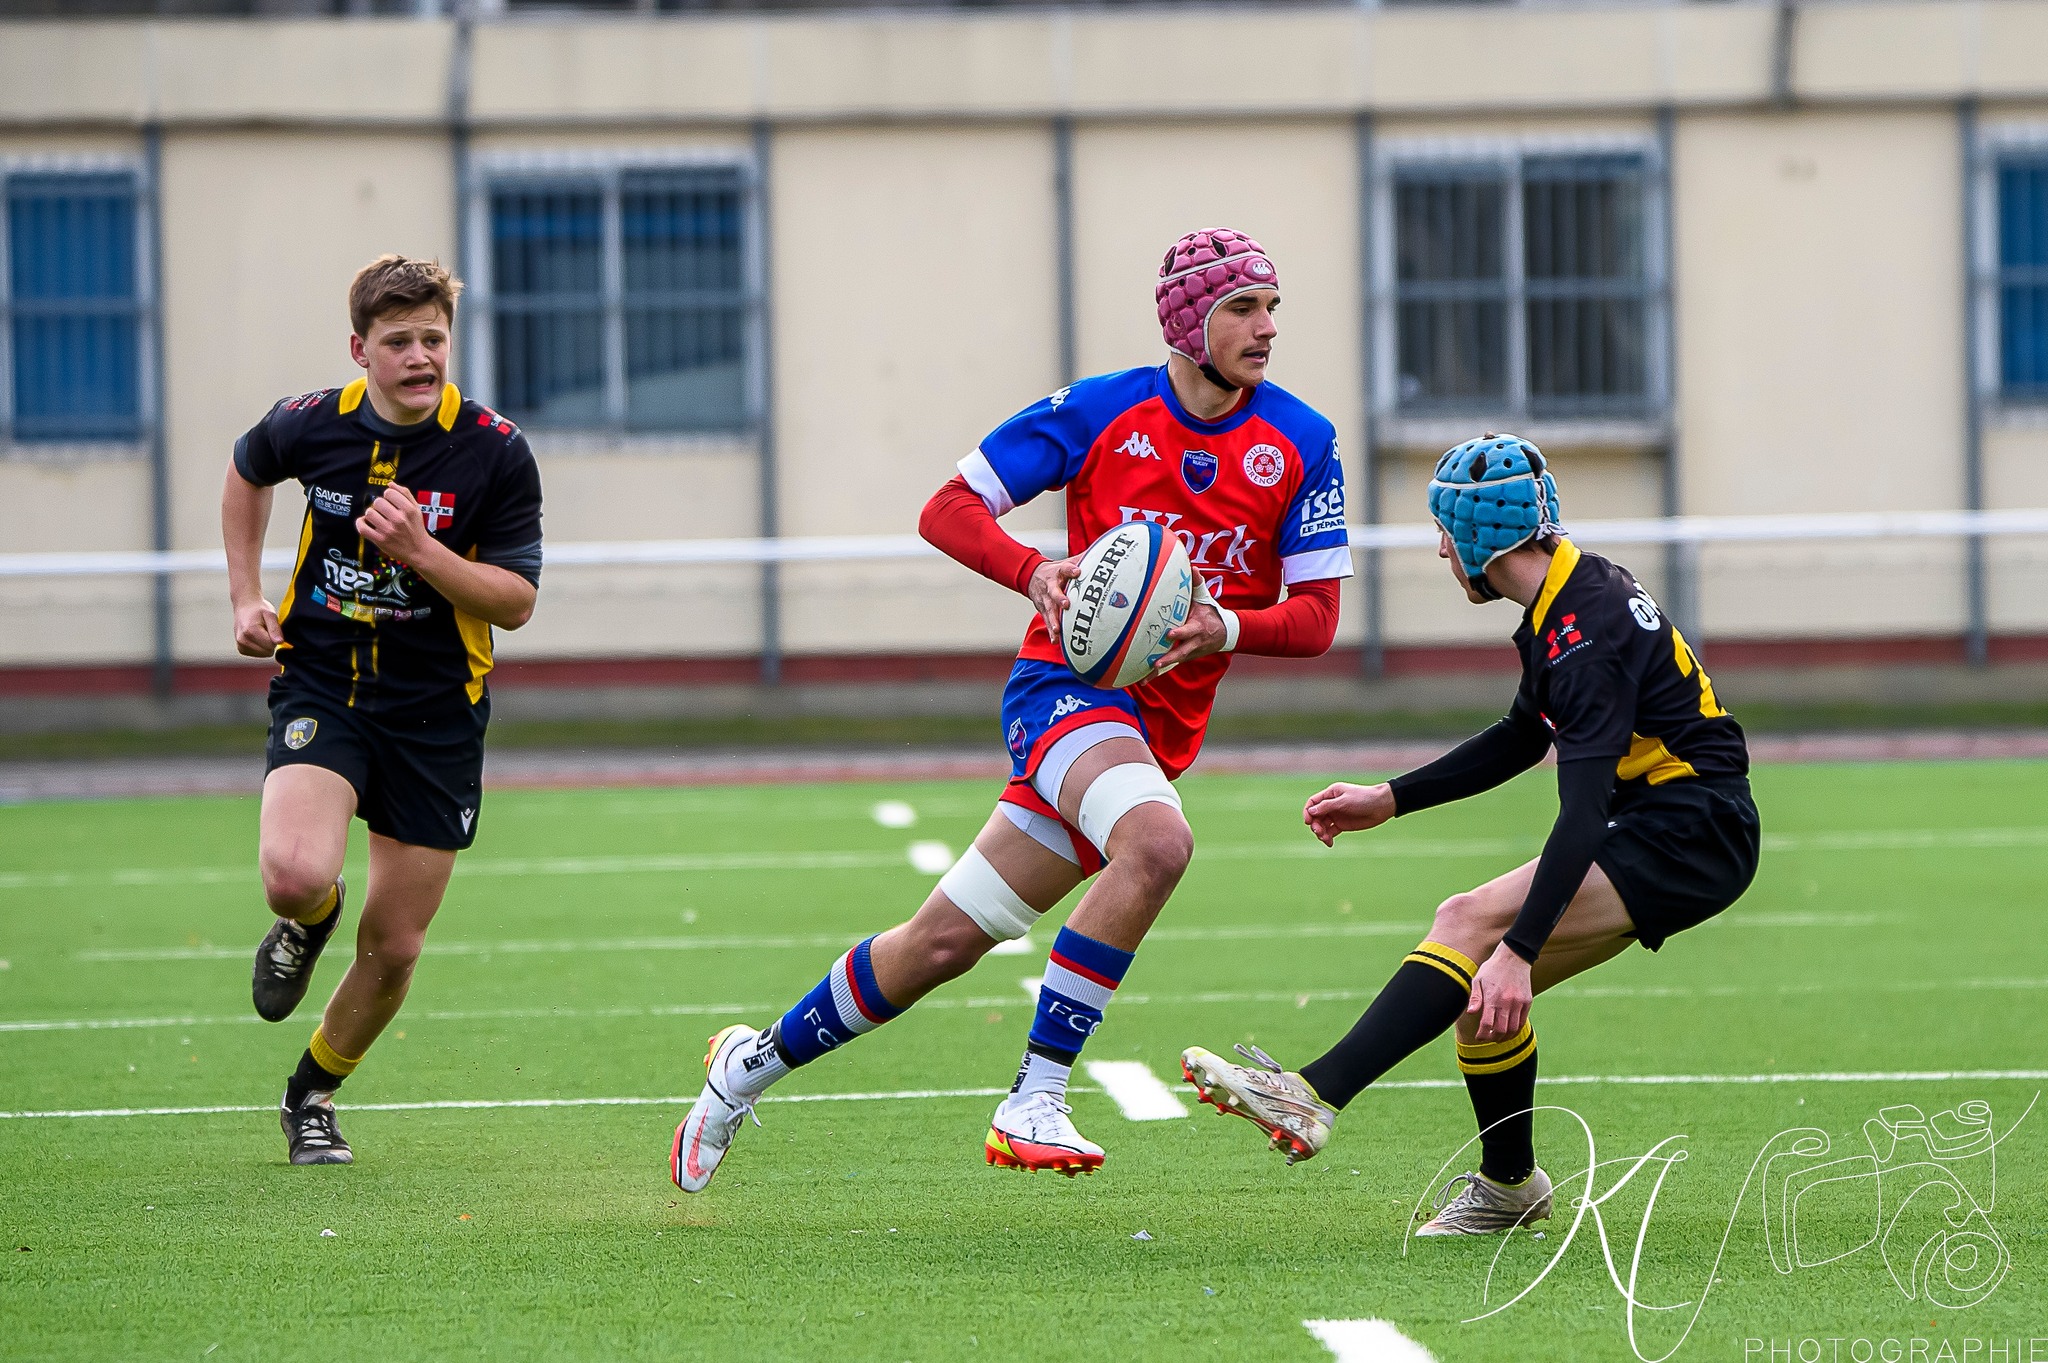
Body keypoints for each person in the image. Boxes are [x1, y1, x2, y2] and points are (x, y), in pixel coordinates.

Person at [670, 228, 1354, 1190]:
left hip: (1152, 738)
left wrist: (1226, 628)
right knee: (1158, 842)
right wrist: (1034, 571)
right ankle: (1036, 1094)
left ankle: (746, 1065)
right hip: (1065, 694)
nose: (1267, 327)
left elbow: (1318, 618)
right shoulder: (1101, 410)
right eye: (1242, 308)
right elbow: (948, 507)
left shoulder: (1305, 441)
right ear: (1187, 321)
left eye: (1273, 307)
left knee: (938, 944)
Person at [1181, 434, 1759, 1235]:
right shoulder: (1566, 596)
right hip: (1671, 820)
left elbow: (1582, 813)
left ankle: (1310, 1095)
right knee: (1472, 989)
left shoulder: (1583, 632)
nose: (1442, 551)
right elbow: (1522, 734)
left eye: (1445, 533)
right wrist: (1390, 798)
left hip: (1690, 828)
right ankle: (1509, 1187)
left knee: (1469, 923)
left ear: (1480, 537)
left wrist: (1520, 949)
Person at [221, 254, 543, 1165]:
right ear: (360, 349)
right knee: (292, 873)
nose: (419, 356)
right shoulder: (310, 423)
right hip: (324, 683)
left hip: (437, 712)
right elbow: (245, 472)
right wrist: (245, 595)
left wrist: (422, 551)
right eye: (398, 341)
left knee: (394, 945)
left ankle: (311, 1094)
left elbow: (516, 602)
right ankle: (309, 915)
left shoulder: (494, 450)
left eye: (433, 338)